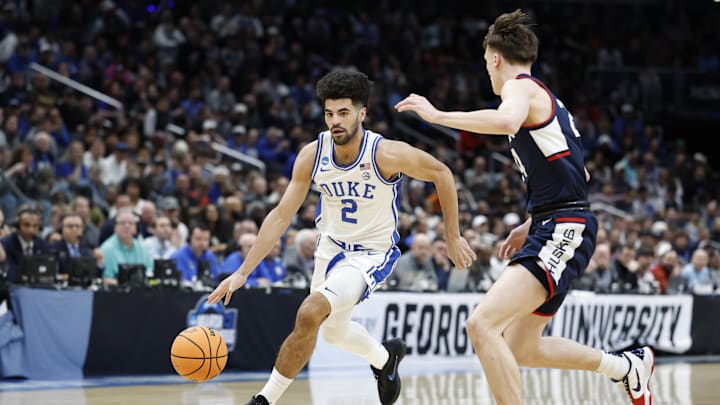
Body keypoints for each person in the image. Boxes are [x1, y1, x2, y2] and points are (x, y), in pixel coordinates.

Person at [395, 9, 654, 405]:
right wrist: (531, 222)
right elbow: (578, 176)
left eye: (486, 64)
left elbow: (508, 122)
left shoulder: (520, 89)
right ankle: (625, 368)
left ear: (495, 59)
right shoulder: (547, 99)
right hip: (556, 222)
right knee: (521, 347)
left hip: (563, 226)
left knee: (481, 325)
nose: (488, 72)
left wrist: (437, 115)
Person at [208, 70, 476, 405]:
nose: (335, 121)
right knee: (333, 333)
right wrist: (242, 272)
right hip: (330, 248)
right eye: (329, 113)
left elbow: (441, 172)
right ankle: (385, 359)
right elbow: (280, 215)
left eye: (344, 113)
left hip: (370, 253)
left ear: (362, 114)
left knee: (309, 313)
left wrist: (452, 236)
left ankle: (264, 400)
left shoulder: (385, 153)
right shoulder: (312, 154)